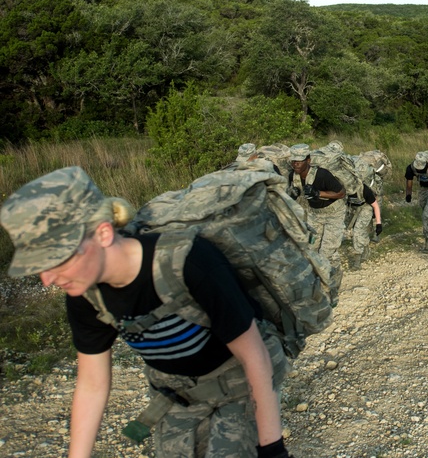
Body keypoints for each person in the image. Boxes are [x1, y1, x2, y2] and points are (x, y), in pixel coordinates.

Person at [0, 167, 292, 458]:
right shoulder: (85, 292)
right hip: (178, 395)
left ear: (103, 234)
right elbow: (91, 383)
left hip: (239, 379)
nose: (48, 280)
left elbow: (254, 356)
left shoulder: (187, 262)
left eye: (58, 260)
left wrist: (272, 447)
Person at [287, 143, 345, 294]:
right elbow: (297, 198)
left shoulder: (322, 174)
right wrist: (292, 195)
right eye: (293, 160)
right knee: (312, 250)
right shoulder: (292, 175)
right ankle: (317, 282)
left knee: (327, 251)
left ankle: (332, 284)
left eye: (299, 160)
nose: (296, 164)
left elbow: (341, 193)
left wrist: (319, 193)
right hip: (314, 214)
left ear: (308, 160)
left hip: (334, 214)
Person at [343, 179, 382, 271]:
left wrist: (378, 223)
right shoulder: (341, 188)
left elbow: (376, 206)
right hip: (352, 209)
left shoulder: (364, 189)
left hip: (366, 208)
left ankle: (357, 261)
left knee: (357, 232)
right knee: (358, 232)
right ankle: (365, 246)